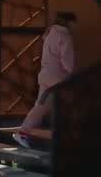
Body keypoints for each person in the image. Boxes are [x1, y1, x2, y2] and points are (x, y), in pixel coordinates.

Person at [15, 11, 76, 148]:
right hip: (58, 78)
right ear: (69, 22)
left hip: (45, 75)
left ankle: (24, 132)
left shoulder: (50, 33)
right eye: (74, 23)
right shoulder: (65, 37)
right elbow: (68, 64)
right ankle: (64, 137)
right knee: (63, 106)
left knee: (41, 106)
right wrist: (70, 73)